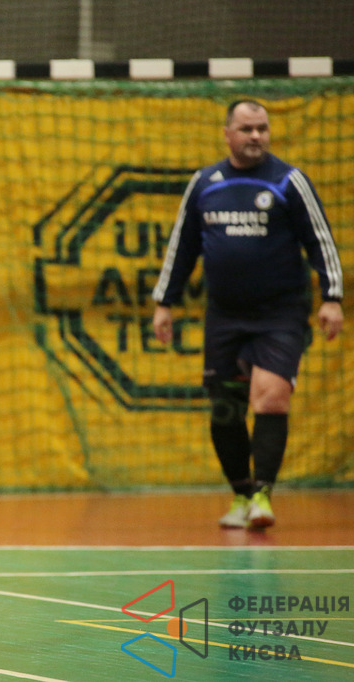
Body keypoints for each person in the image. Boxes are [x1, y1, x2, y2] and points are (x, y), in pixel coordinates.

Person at [152, 99, 343, 530]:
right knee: (226, 409)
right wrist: (165, 302)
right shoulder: (205, 183)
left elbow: (320, 240)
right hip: (225, 315)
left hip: (280, 313)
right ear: (227, 134)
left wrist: (332, 296)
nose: (256, 136)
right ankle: (240, 493)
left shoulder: (289, 181)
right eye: (247, 129)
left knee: (270, 396)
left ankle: (262, 495)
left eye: (262, 128)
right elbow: (182, 245)